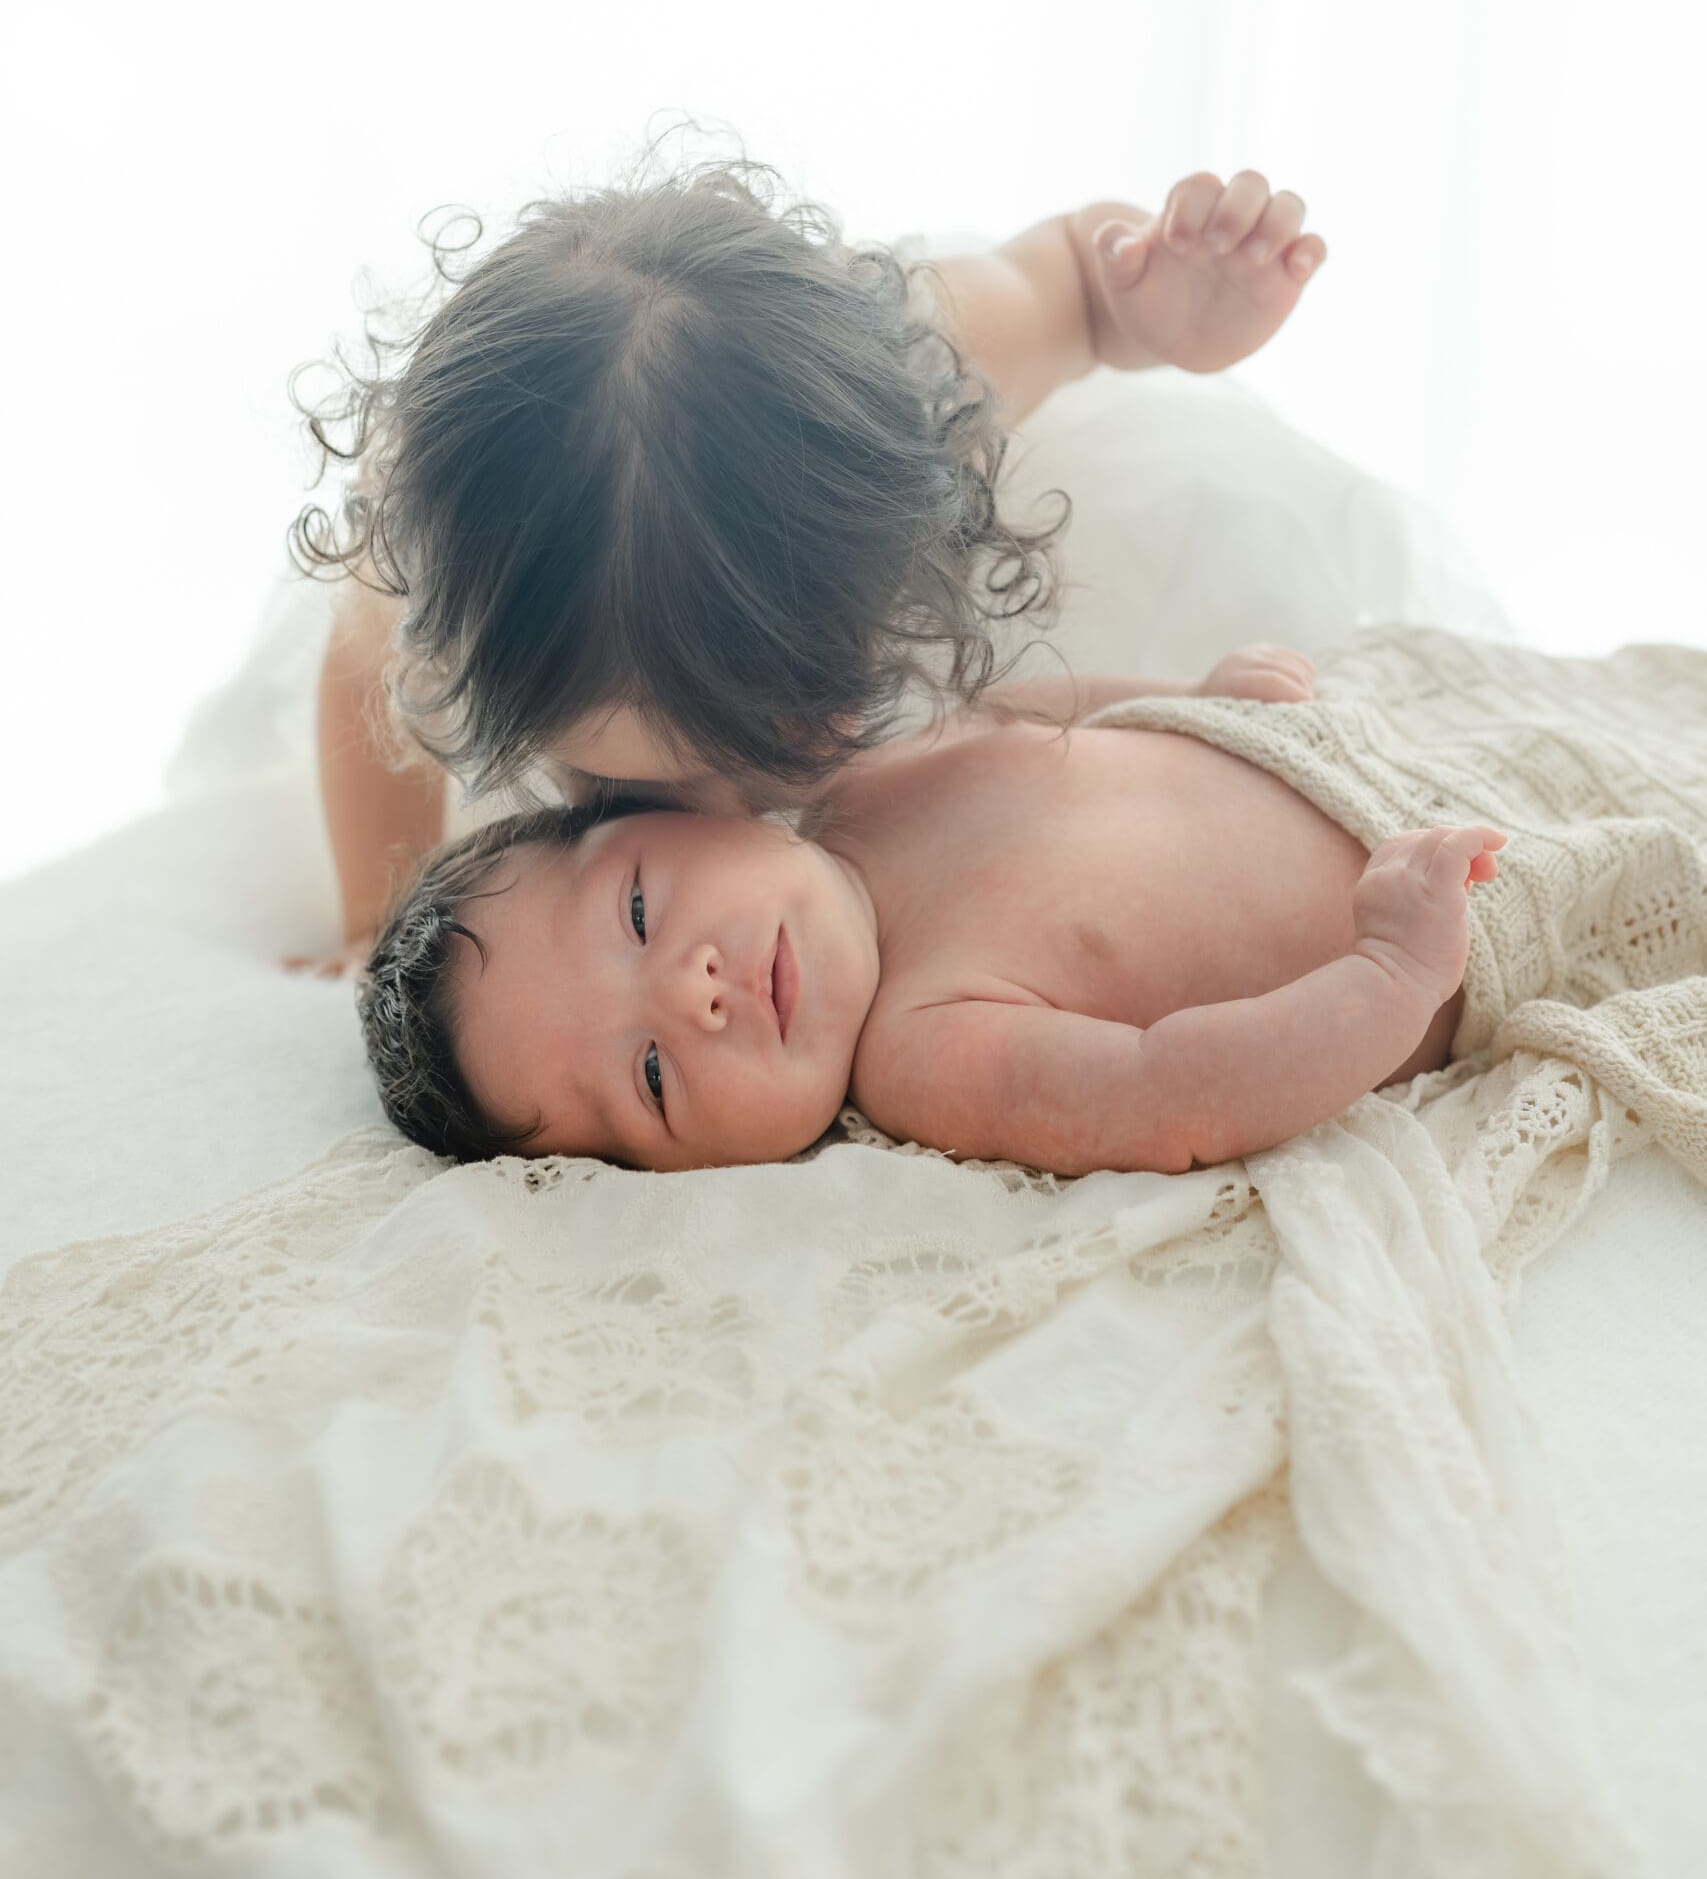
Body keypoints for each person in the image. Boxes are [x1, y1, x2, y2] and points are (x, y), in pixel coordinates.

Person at [292, 151, 1328, 971]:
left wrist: (1146, 305)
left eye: (775, 733)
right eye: (626, 783)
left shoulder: (930, 379)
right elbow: (357, 672)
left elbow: (1072, 283)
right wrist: (380, 916)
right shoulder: (420, 577)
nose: (719, 813)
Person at [356, 634, 1519, 1177]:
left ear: (670, 803)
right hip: (1461, 913)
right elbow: (1177, 1092)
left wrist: (1187, 691)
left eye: (640, 914)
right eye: (652, 1076)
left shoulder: (864, 774)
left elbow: (1026, 715)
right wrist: (1391, 975)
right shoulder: (925, 1053)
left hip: (1352, 740)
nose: (692, 991)